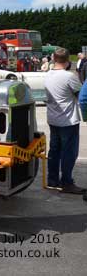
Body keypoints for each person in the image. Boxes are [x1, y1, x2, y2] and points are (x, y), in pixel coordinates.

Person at [43, 48, 85, 193]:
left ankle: (52, 179)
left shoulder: (48, 75)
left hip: (53, 118)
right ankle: (67, 182)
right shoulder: (69, 76)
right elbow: (80, 94)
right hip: (68, 120)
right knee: (69, 152)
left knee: (54, 151)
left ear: (54, 59)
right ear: (68, 62)